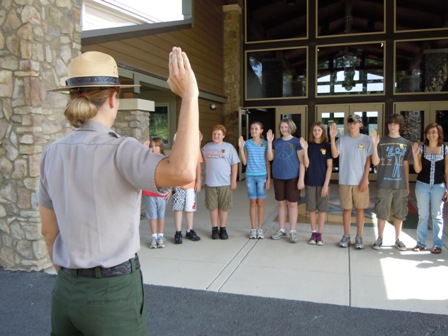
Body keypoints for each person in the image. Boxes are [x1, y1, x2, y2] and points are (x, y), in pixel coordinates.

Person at [38, 47, 199, 335]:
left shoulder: (51, 154)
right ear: (114, 98)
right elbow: (183, 172)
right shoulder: (121, 150)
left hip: (65, 290)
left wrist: (71, 274)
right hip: (112, 291)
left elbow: (49, 231)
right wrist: (189, 96)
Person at [330, 114, 373, 249]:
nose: (352, 125)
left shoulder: (367, 140)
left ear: (360, 124)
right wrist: (332, 138)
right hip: (345, 180)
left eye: (355, 122)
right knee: (346, 209)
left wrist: (365, 179)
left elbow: (368, 161)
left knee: (360, 209)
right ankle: (346, 235)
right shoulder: (342, 139)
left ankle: (359, 237)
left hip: (361, 181)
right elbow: (335, 154)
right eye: (350, 123)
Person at [371, 114, 411, 251]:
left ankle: (397, 239)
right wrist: (374, 145)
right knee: (382, 212)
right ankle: (380, 238)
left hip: (400, 185)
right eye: (390, 124)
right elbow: (375, 162)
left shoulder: (406, 143)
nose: (392, 126)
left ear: (400, 126)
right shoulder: (381, 142)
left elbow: (405, 165)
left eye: (395, 124)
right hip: (384, 183)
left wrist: (406, 184)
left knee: (399, 213)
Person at [411, 122, 448, 254]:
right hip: (422, 185)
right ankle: (420, 243)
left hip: (439, 186)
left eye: (434, 132)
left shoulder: (445, 150)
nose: (431, 135)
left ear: (439, 134)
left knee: (437, 215)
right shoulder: (421, 149)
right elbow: (418, 169)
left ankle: (437, 244)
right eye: (429, 132)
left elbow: (447, 171)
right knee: (423, 215)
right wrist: (415, 157)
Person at [267, 118, 305, 243]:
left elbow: (302, 162)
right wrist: (269, 142)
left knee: (292, 204)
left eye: (286, 127)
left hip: (293, 178)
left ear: (291, 128)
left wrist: (301, 179)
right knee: (281, 203)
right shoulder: (276, 142)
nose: (284, 129)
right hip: (278, 177)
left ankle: (293, 230)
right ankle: (282, 229)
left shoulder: (297, 142)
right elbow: (270, 157)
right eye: (282, 127)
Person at [202, 124, 240, 240]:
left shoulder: (229, 147)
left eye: (219, 134)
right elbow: (197, 157)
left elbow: (234, 164)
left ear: (223, 135)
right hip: (211, 182)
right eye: (214, 134)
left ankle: (223, 228)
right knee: (213, 207)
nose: (216, 136)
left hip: (225, 183)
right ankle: (214, 228)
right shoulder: (206, 147)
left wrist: (233, 180)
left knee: (224, 207)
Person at [301, 121, 333, 245]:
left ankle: (320, 234)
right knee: (311, 209)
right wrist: (305, 149)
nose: (316, 132)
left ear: (322, 131)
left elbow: (329, 167)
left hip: (322, 183)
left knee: (322, 209)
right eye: (314, 130)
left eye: (319, 130)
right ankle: (313, 232)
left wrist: (326, 185)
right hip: (310, 182)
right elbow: (307, 164)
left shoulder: (327, 146)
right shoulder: (308, 145)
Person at [238, 121, 271, 239]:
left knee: (260, 203)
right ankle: (253, 229)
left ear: (261, 131)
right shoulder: (247, 143)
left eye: (256, 129)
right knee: (252, 202)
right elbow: (244, 161)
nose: (253, 131)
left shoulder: (265, 143)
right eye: (252, 129)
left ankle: (260, 228)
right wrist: (241, 148)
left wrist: (269, 179)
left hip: (262, 175)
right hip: (250, 176)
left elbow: (268, 161)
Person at [172, 132, 203, 244]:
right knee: (178, 208)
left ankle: (189, 230)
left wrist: (198, 182)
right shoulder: (176, 148)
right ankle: (178, 232)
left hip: (191, 184)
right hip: (178, 183)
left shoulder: (195, 149)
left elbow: (198, 165)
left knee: (190, 208)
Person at [143, 137, 171, 248]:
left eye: (156, 146)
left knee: (161, 216)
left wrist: (169, 189)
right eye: (152, 146)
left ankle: (160, 236)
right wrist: (144, 148)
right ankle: (154, 237)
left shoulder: (165, 159)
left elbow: (169, 175)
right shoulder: (146, 159)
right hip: (149, 191)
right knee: (152, 216)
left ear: (161, 147)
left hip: (162, 192)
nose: (154, 148)